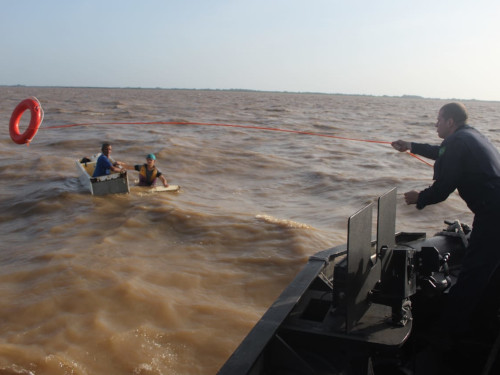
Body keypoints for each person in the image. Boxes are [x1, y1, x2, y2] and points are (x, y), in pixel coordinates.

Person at [392, 102, 500, 340]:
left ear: (450, 121)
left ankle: (449, 334)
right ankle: (483, 320)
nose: (435, 123)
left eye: (439, 120)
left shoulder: (458, 142)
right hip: (493, 210)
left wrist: (419, 198)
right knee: (490, 269)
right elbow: (442, 152)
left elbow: (443, 188)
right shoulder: (470, 136)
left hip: (494, 214)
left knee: (473, 272)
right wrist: (411, 146)